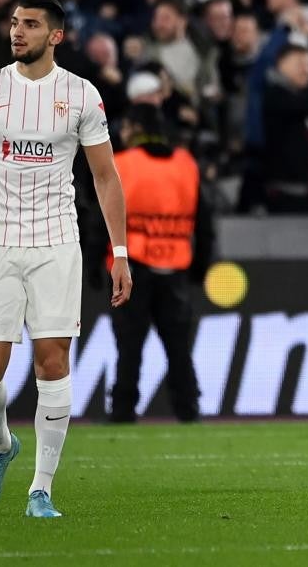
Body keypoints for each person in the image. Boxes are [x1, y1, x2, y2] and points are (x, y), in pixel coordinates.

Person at [0, 0, 132, 519]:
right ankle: (2, 447)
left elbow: (106, 176)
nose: (17, 32)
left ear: (56, 36)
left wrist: (120, 251)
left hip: (55, 244)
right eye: (15, 22)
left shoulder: (82, 95)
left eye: (30, 24)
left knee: (53, 363)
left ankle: (40, 490)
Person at [109, 104, 215, 423]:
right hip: (176, 266)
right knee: (179, 347)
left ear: (136, 128)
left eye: (126, 126)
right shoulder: (185, 163)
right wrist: (200, 265)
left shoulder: (121, 164)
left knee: (129, 345)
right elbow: (204, 221)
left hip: (132, 266)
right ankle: (188, 408)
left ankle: (123, 409)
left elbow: (103, 219)